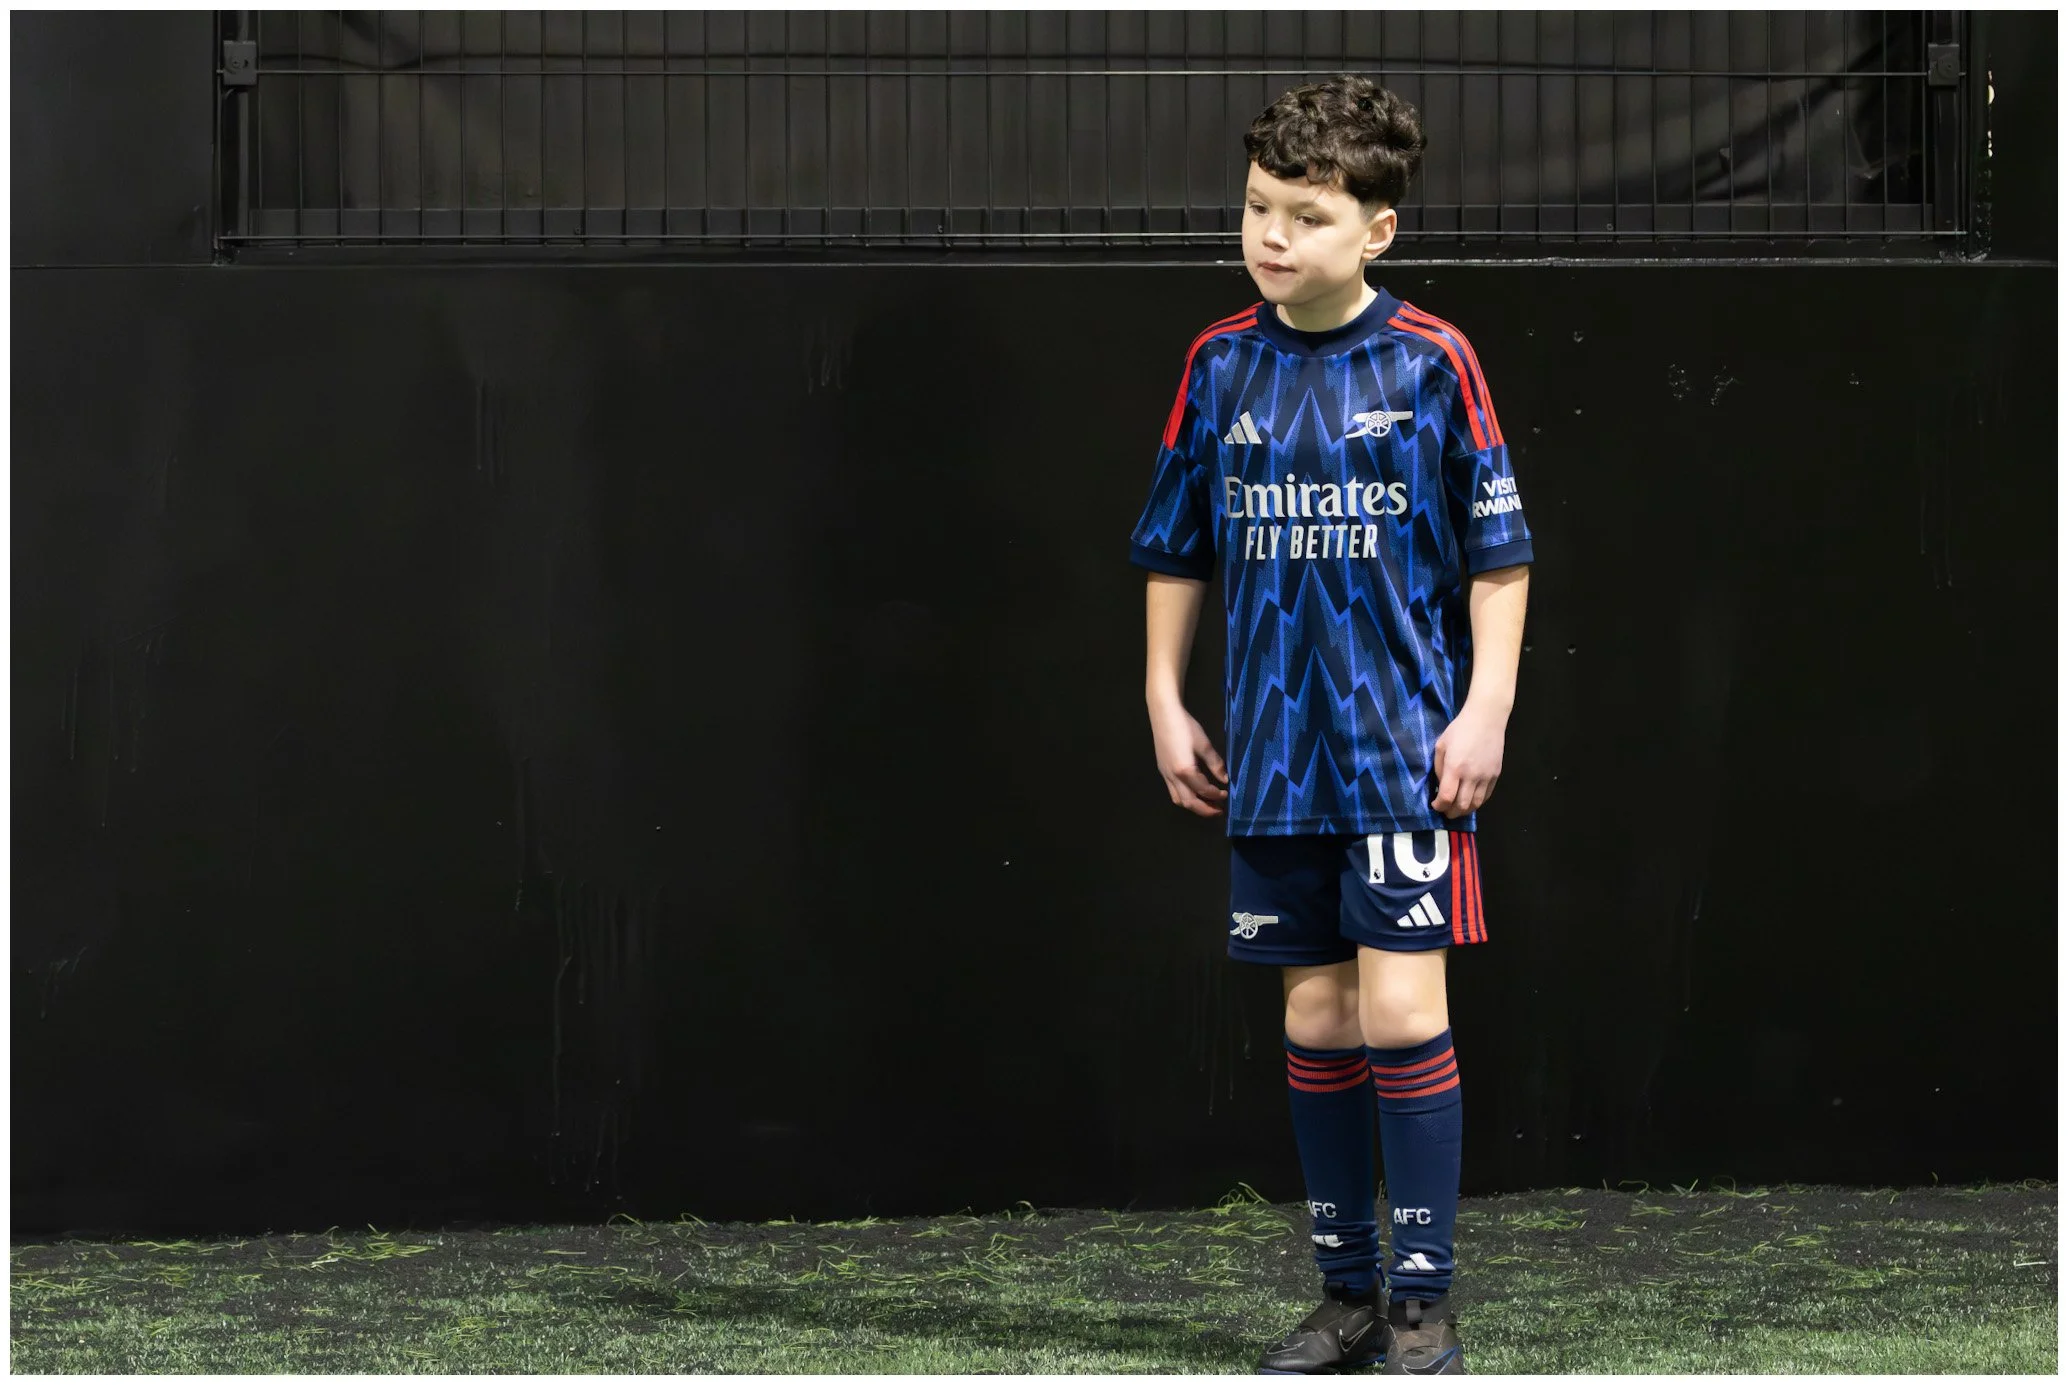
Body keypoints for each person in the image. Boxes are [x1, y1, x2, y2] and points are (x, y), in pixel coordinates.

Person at [1129, 75, 1532, 1376]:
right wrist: (1164, 697)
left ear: (1377, 230)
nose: (1273, 235)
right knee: (1318, 1020)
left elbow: (1501, 557)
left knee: (1403, 1015)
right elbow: (1176, 545)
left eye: (1306, 215)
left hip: (1400, 753)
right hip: (1275, 757)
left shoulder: (1433, 360)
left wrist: (1484, 708)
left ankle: (1423, 1302)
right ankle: (1345, 1297)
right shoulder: (1219, 363)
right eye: (1260, 207)